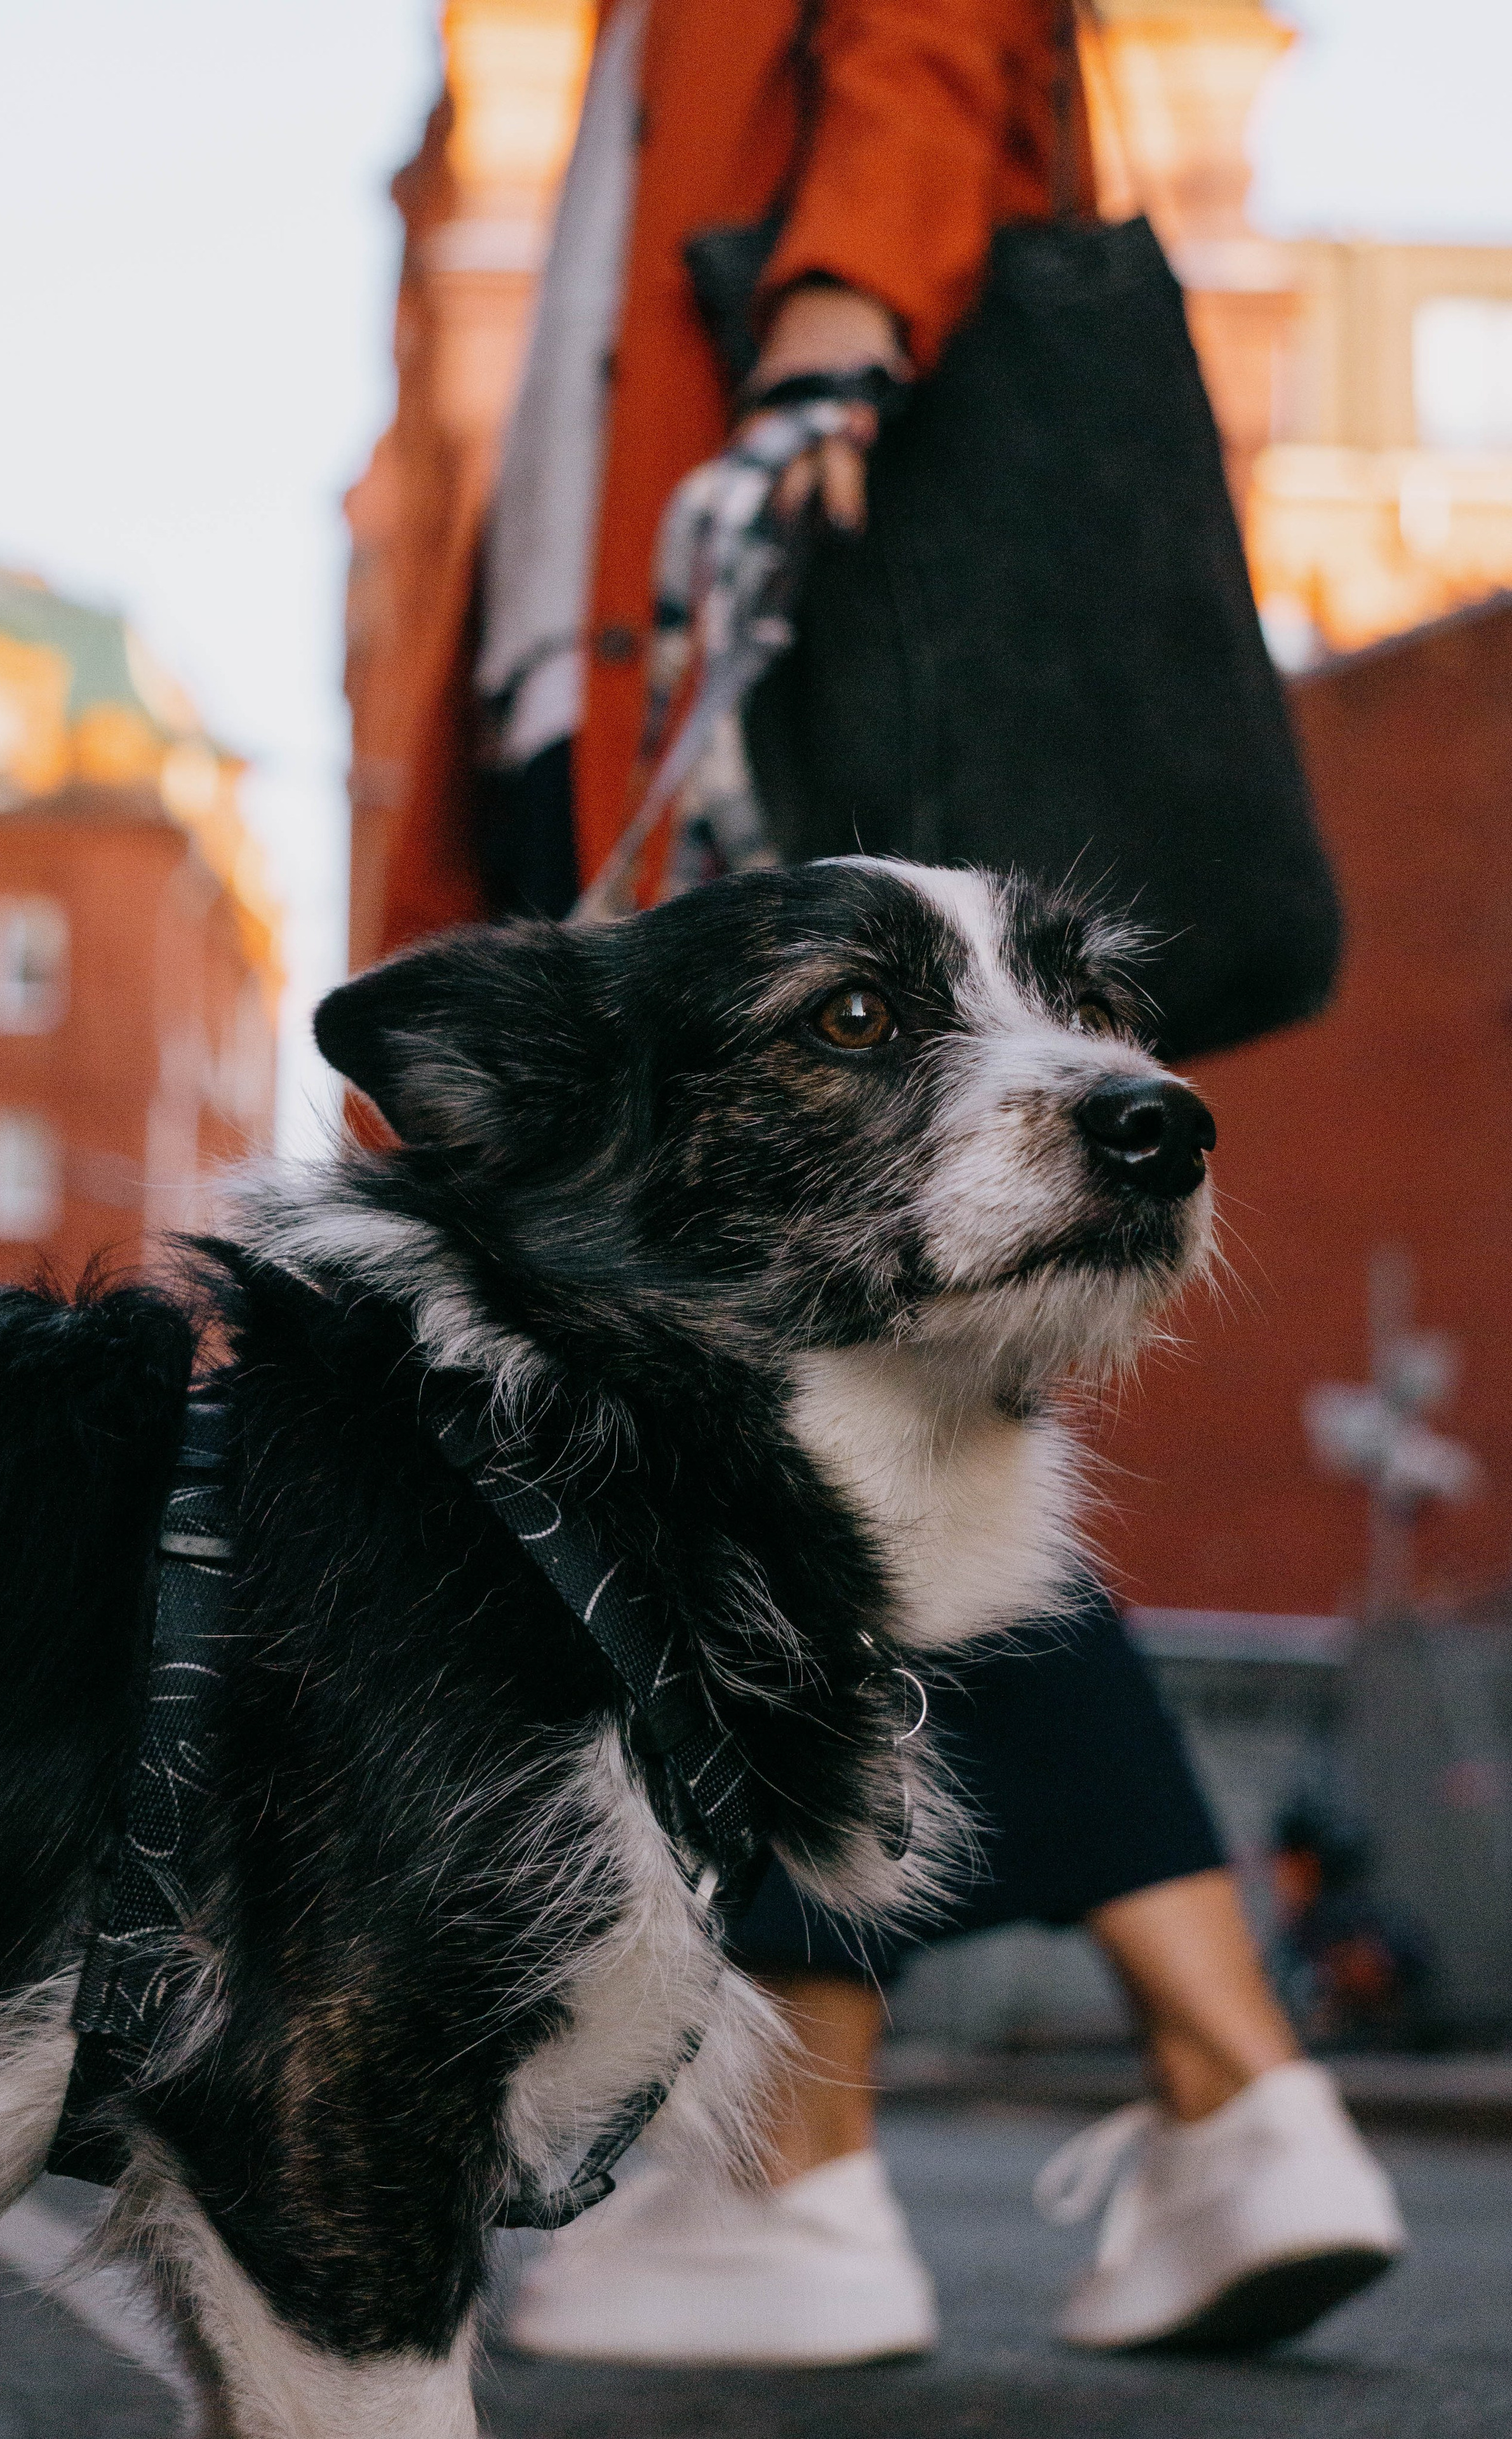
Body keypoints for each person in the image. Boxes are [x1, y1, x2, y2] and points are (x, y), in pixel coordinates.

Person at [372, 0, 1407, 2362]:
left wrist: (831, 346)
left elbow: (935, 45)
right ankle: (1212, 2100)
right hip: (650, 651)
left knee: (835, 1424)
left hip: (763, 621)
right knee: (893, 1414)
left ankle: (815, 2173)